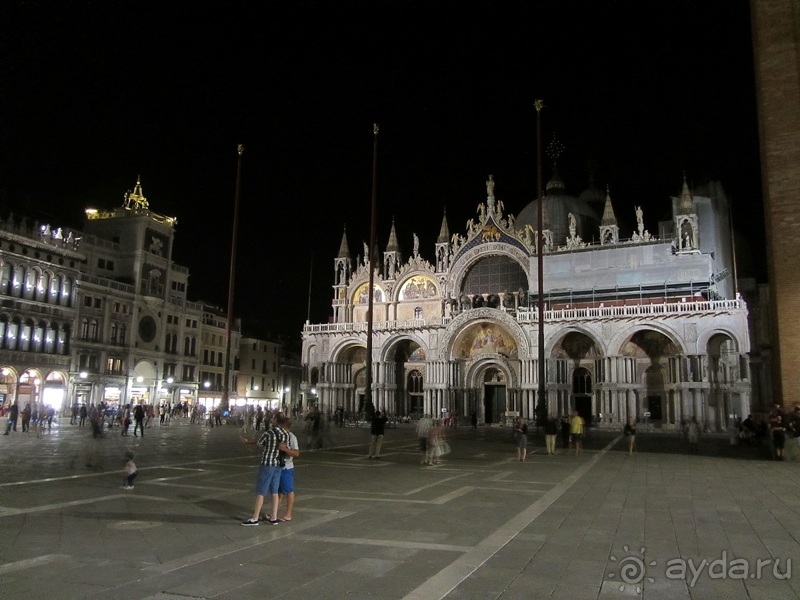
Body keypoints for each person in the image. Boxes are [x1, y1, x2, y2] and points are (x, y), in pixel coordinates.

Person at [242, 415, 290, 526]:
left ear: (276, 421)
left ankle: (255, 518)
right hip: (278, 464)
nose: (271, 420)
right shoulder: (285, 434)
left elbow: (259, 444)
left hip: (267, 463)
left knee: (261, 491)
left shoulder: (269, 433)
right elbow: (285, 447)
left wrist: (248, 442)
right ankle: (274, 516)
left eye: (273, 418)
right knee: (274, 491)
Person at [278, 417, 300, 521]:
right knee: (279, 491)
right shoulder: (279, 436)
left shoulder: (292, 437)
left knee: (289, 490)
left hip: (287, 466)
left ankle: (288, 514)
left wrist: (285, 449)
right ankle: (274, 512)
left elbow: (296, 453)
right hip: (277, 466)